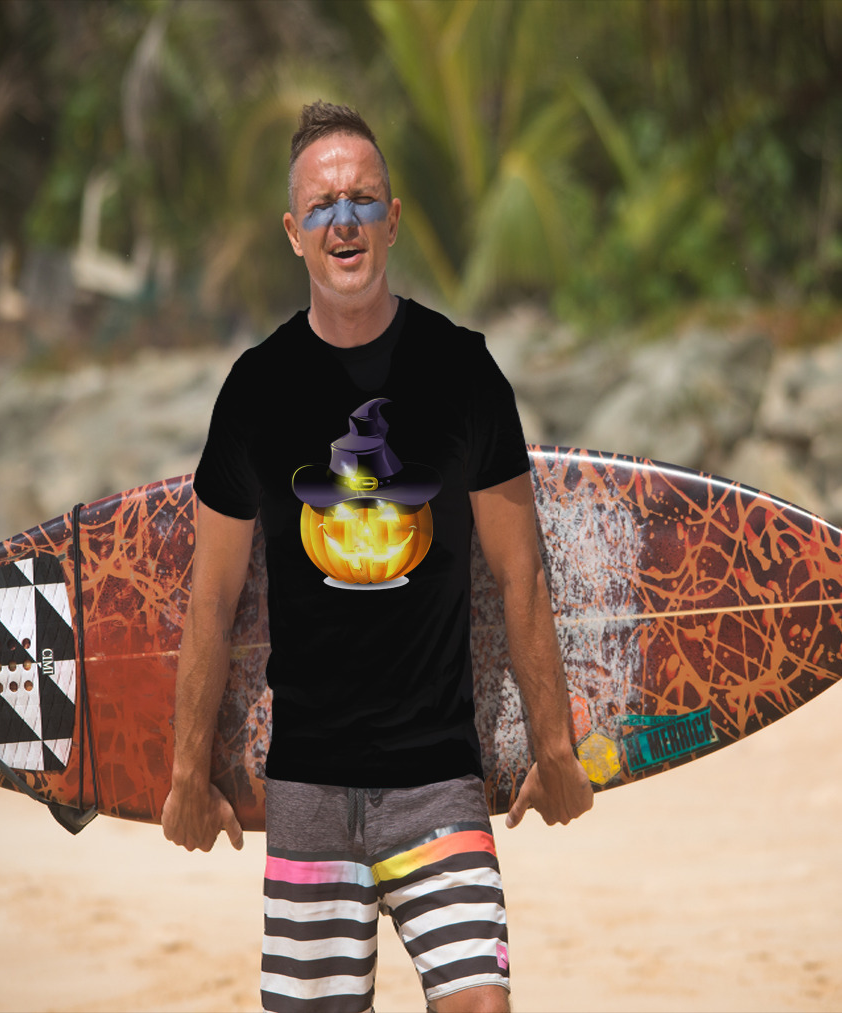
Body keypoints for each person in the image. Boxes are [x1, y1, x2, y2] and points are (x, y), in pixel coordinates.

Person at [162, 100, 593, 1013]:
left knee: (482, 1003)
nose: (344, 220)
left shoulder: (465, 372)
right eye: (322, 206)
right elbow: (211, 600)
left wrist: (554, 746)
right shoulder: (254, 390)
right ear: (293, 233)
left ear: (393, 219)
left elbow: (522, 575)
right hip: (309, 787)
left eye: (363, 200)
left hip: (438, 780)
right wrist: (184, 772)